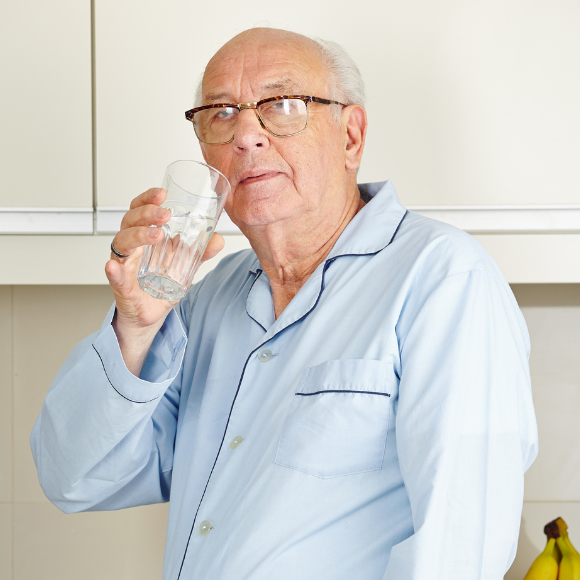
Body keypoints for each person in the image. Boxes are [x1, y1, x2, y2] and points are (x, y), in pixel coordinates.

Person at [31, 27, 538, 580]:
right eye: (221, 112)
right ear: (204, 151)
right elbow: (73, 478)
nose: (247, 133)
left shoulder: (443, 277)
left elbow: (457, 548)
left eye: (283, 105)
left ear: (351, 136)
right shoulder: (207, 298)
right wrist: (133, 328)